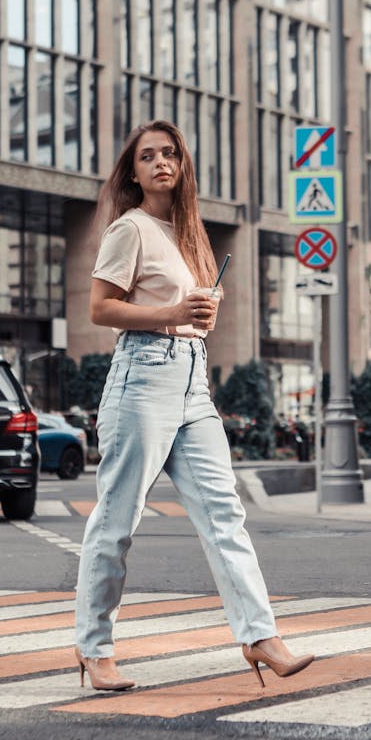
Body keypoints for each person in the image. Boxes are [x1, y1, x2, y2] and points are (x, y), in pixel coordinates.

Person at [74, 120, 314, 692]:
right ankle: (94, 648)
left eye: (170, 154)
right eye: (148, 156)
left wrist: (203, 306)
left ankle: (259, 635)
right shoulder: (129, 230)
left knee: (224, 513)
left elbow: (188, 307)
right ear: (133, 172)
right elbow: (100, 309)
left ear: (182, 165)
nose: (161, 162)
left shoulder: (190, 233)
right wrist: (175, 314)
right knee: (117, 520)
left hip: (192, 383)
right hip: (142, 378)